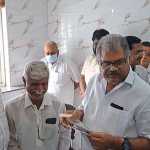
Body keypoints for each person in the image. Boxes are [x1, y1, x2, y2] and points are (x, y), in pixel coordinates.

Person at [60, 34, 150, 150]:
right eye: (106, 64)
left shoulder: (144, 93)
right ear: (99, 62)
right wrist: (75, 116)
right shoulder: (94, 81)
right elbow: (84, 106)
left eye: (118, 63)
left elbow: (148, 142)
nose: (113, 69)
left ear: (128, 58)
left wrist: (118, 143)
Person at [5, 61, 70, 150]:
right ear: (24, 81)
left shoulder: (58, 106)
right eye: (34, 84)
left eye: (44, 84)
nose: (40, 89)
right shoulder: (11, 108)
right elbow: (11, 142)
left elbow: (64, 137)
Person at [79, 29, 109, 97]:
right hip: (88, 98)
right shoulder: (89, 58)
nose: (97, 46)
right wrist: (85, 94)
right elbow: (82, 77)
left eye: (101, 44)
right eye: (95, 43)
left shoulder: (111, 60)